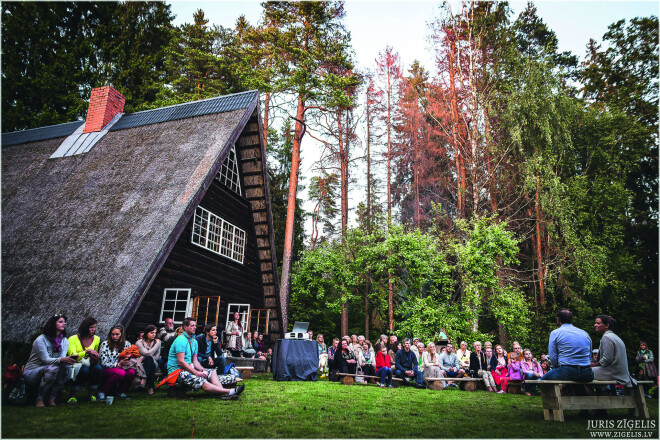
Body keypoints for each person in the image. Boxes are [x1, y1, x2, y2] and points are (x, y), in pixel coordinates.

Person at [166, 317, 244, 399]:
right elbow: (181, 362)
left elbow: (195, 361)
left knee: (212, 372)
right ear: (185, 327)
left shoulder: (194, 342)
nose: (195, 327)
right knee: (200, 379)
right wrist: (196, 373)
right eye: (192, 326)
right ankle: (229, 392)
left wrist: (202, 369)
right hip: (176, 372)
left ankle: (224, 394)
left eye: (195, 325)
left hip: (188, 368)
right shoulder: (181, 340)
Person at [24, 314, 76, 407]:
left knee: (66, 368)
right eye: (60, 322)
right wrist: (61, 360)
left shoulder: (64, 341)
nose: (64, 324)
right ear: (53, 324)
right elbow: (45, 360)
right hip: (33, 371)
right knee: (53, 368)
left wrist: (68, 360)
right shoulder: (41, 340)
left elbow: (62, 357)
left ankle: (52, 397)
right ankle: (39, 398)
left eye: (64, 322)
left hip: (52, 369)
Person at [542, 309, 594, 383]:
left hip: (567, 371)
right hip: (587, 373)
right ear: (571, 319)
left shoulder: (556, 333)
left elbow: (553, 356)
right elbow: (589, 354)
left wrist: (556, 368)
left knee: (542, 380)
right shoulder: (585, 333)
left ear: (558, 319)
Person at [590, 315, 634, 388]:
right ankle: (597, 396)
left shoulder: (607, 337)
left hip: (613, 372)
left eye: (598, 323)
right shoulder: (614, 336)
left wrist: (592, 364)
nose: (595, 325)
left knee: (581, 373)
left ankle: (589, 398)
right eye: (595, 323)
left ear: (607, 326)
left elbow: (607, 359)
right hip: (619, 372)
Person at [66, 317, 102, 402]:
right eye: (91, 327)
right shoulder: (73, 339)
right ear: (85, 328)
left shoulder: (96, 339)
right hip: (76, 364)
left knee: (98, 368)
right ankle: (72, 394)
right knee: (84, 370)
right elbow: (72, 355)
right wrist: (86, 352)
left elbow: (95, 351)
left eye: (94, 327)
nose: (93, 329)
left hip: (89, 363)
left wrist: (95, 356)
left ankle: (91, 394)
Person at [98, 324, 135, 401]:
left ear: (121, 334)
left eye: (117, 334)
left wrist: (126, 361)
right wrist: (117, 365)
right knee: (120, 373)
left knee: (131, 372)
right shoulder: (105, 344)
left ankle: (120, 392)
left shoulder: (127, 344)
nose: (114, 336)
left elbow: (129, 357)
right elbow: (104, 363)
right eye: (112, 334)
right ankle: (102, 391)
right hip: (108, 368)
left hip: (123, 367)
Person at [136, 325, 161, 395]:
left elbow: (157, 357)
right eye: (152, 333)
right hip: (141, 364)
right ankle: (150, 388)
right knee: (149, 362)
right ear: (146, 333)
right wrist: (145, 356)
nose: (154, 335)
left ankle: (144, 379)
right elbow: (146, 353)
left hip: (154, 362)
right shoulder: (139, 343)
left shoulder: (157, 342)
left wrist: (144, 356)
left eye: (155, 333)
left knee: (150, 360)